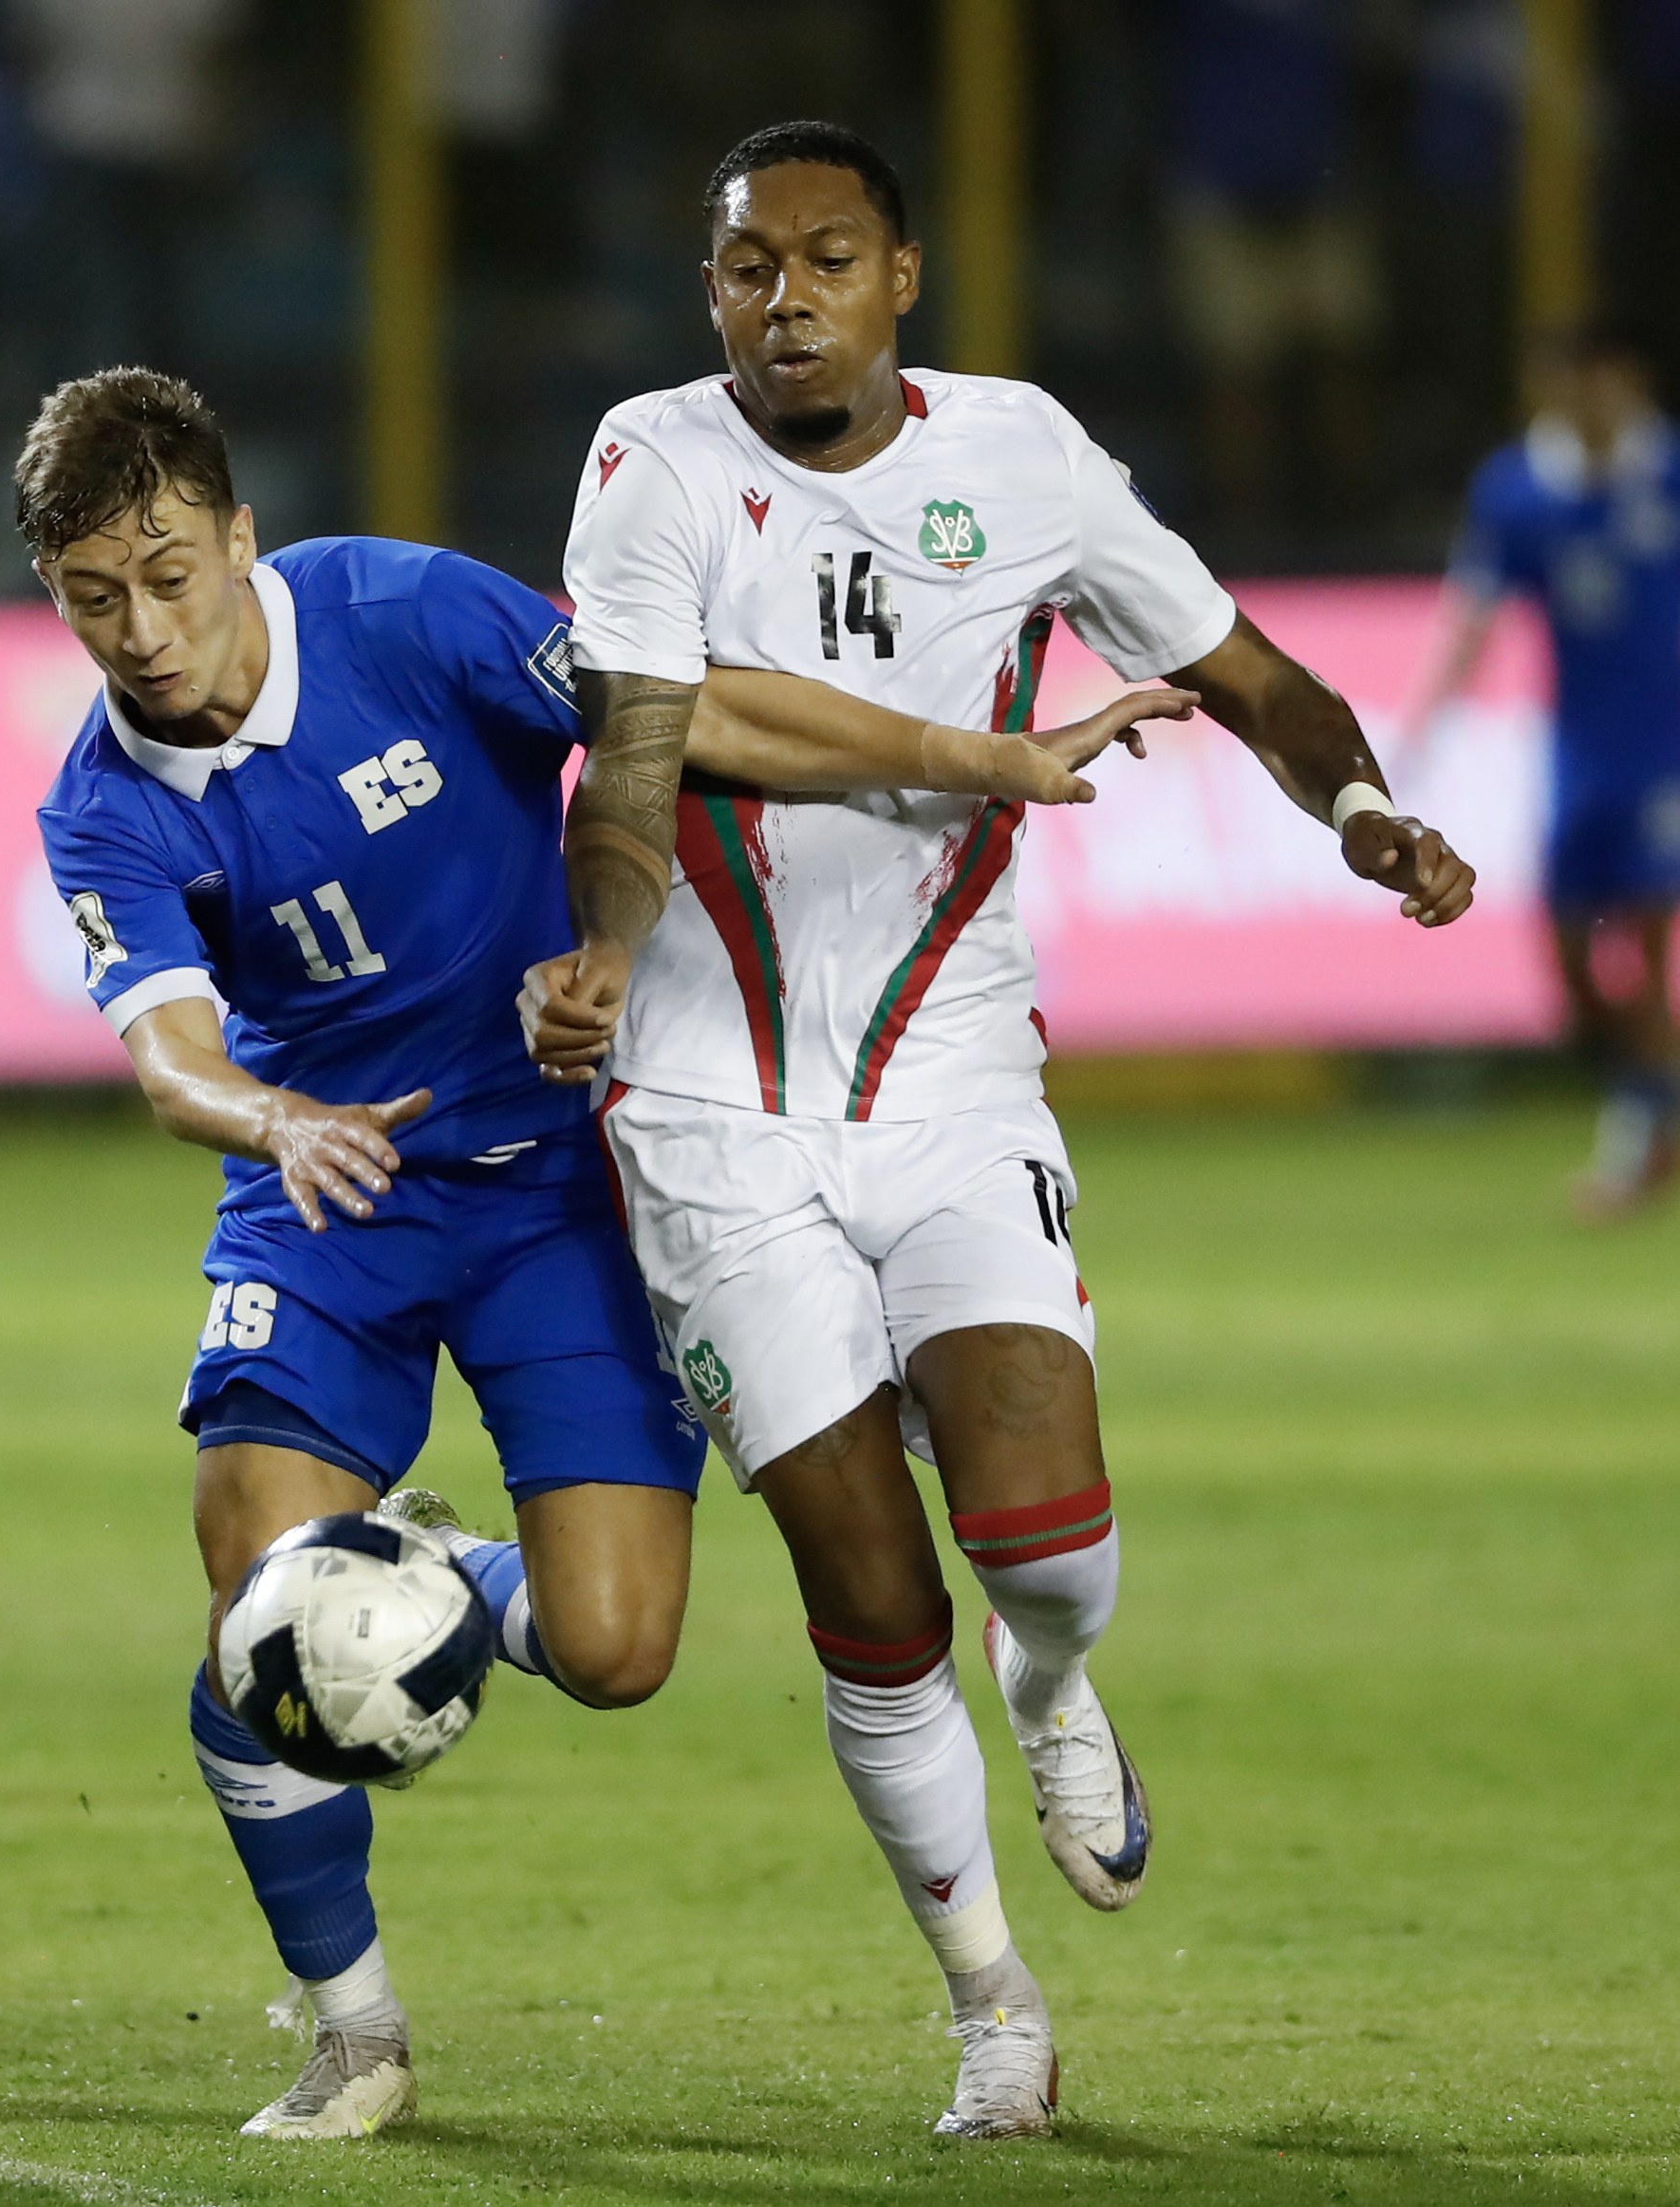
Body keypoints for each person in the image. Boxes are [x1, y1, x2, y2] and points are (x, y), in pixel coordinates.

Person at [24, 366, 1181, 2142]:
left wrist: (971, 759)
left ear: (237, 534)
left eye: (167, 573)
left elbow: (674, 714)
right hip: (330, 1190)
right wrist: (273, 1121)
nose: (142, 631)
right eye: (93, 596)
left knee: (616, 1648)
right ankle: (353, 2031)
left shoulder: (404, 613)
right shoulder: (103, 795)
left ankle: (440, 1579)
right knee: (256, 1596)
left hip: (564, 1181)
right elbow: (169, 1047)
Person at [540, 122, 1479, 2140]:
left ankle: (1051, 1686)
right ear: (705, 293)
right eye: (738, 266)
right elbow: (640, 741)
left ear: (903, 279)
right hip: (708, 1100)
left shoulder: (1027, 456)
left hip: (958, 1077)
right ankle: (993, 2006)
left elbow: (1244, 674)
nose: (776, 294)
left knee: (1044, 1546)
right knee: (867, 1582)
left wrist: (1361, 809)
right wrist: (608, 951)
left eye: (820, 256)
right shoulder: (652, 461)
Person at [1405, 322, 1680, 1218]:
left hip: (1664, 755)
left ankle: (1637, 1143)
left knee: (1640, 951)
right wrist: (1424, 726)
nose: (1583, 400)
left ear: (1626, 381)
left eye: (1596, 380)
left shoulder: (1666, 472)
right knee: (1567, 969)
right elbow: (1477, 613)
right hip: (1578, 758)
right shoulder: (1520, 491)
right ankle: (1654, 1108)